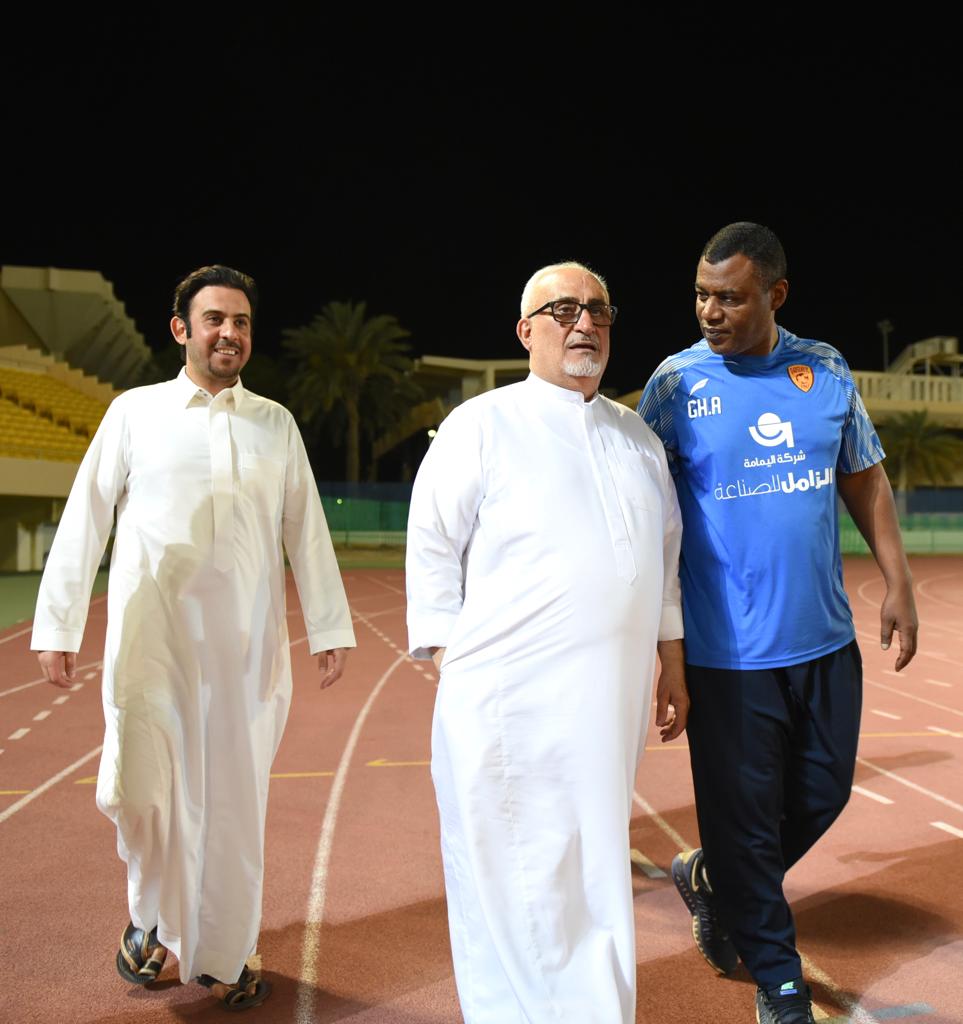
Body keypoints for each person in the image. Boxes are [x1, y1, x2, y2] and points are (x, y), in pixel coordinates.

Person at [31, 264, 356, 1012]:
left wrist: (328, 626)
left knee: (235, 805)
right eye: (214, 320)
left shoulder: (273, 422)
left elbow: (305, 526)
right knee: (143, 792)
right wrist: (59, 624)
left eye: (240, 322)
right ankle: (151, 923)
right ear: (181, 329)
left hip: (245, 653)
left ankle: (228, 952)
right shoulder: (134, 413)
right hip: (152, 647)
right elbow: (86, 518)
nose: (229, 334)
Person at [638, 223, 918, 1024]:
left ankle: (715, 878)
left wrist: (896, 579)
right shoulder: (675, 385)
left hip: (824, 640)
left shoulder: (822, 369)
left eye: (728, 297)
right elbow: (633, 503)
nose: (709, 311)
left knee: (823, 793)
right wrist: (661, 646)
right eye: (700, 295)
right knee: (747, 820)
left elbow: (862, 474)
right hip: (727, 656)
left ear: (775, 295)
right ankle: (778, 980)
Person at [406, 261, 688, 1023]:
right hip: (508, 700)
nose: (584, 322)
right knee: (513, 874)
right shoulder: (483, 423)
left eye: (597, 309)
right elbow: (432, 537)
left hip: (609, 703)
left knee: (593, 866)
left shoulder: (634, 437)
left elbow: (663, 562)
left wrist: (671, 662)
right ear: (525, 330)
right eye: (563, 310)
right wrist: (443, 648)